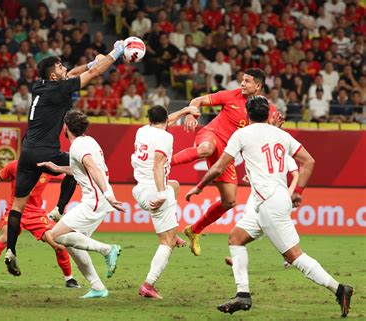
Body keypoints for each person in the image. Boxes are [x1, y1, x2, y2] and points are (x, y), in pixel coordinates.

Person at [186, 96, 353, 317]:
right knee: (235, 238)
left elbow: (218, 168)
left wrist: (199, 187)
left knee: (295, 257)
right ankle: (242, 295)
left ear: (247, 115)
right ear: (267, 114)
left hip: (268, 203)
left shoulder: (242, 134)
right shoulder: (282, 135)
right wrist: (298, 192)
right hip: (272, 199)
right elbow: (309, 161)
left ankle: (339, 288)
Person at [4, 41, 126, 276]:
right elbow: (95, 73)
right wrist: (116, 53)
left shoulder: (39, 86)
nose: (64, 68)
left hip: (27, 151)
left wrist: (91, 62)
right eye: (60, 67)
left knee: (17, 207)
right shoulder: (59, 90)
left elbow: (76, 72)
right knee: (76, 163)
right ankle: (60, 209)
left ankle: (11, 250)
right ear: (53, 74)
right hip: (45, 150)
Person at [172, 68, 282, 256]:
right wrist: (191, 113)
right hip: (211, 135)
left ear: (258, 86)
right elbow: (198, 100)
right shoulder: (230, 96)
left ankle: (194, 229)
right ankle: (165, 163)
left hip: (229, 153)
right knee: (206, 149)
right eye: (242, 80)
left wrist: (275, 129)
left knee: (230, 201)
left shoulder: (267, 110)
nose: (242, 83)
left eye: (247, 81)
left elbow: (265, 138)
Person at [38, 110, 125, 299]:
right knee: (73, 245)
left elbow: (93, 168)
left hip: (93, 201)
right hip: (99, 200)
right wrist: (58, 168)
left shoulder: (78, 146)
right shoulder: (89, 141)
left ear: (66, 127)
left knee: (55, 235)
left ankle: (107, 249)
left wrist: (108, 194)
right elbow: (82, 169)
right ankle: (97, 287)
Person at [0, 160, 79, 288]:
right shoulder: (15, 165)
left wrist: (81, 177)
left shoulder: (48, 167)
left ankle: (70, 280)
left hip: (35, 213)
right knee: (5, 238)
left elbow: (70, 173)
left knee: (58, 244)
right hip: (15, 209)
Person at [132, 105, 200, 299]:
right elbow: (158, 165)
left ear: (149, 120)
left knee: (175, 185)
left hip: (140, 189)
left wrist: (186, 109)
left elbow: (166, 120)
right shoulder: (166, 137)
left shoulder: (142, 130)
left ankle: (174, 232)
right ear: (165, 121)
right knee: (167, 243)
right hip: (155, 191)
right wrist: (161, 194)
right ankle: (148, 285)